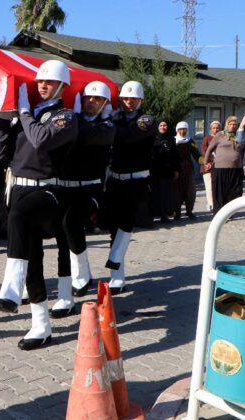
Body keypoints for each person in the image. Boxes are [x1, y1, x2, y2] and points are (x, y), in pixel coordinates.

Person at [0, 60, 77, 350]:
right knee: (32, 258)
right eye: (40, 81)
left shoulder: (64, 117)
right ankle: (41, 325)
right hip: (18, 189)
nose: (42, 85)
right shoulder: (27, 117)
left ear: (62, 85)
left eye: (49, 82)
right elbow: (1, 156)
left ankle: (10, 290)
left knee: (19, 215)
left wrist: (25, 114)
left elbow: (40, 140)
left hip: (48, 191)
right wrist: (4, 122)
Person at [51, 81, 115, 318]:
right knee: (63, 232)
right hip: (65, 187)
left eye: (97, 99)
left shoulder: (107, 126)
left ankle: (81, 276)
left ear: (105, 103)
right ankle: (80, 276)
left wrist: (75, 116)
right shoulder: (71, 120)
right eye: (87, 97)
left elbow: (87, 137)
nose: (91, 101)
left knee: (71, 223)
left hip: (90, 190)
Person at [102, 81, 157, 295]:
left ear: (141, 100)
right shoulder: (116, 118)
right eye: (125, 99)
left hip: (137, 180)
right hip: (115, 179)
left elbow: (128, 136)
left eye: (133, 99)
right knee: (114, 229)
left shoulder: (147, 120)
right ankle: (117, 278)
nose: (128, 102)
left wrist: (108, 121)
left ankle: (114, 264)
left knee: (126, 222)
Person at [203, 114, 245, 213]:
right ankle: (219, 212)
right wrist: (206, 163)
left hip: (236, 168)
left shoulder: (240, 135)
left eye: (234, 124)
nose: (232, 126)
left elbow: (243, 149)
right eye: (230, 124)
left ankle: (229, 212)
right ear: (226, 125)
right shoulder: (220, 135)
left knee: (235, 192)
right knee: (219, 192)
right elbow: (209, 150)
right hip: (219, 168)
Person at [151, 120, 180, 224]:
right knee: (155, 193)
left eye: (165, 125)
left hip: (167, 171)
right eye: (161, 125)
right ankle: (152, 216)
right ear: (157, 127)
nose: (163, 127)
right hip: (155, 171)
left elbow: (175, 156)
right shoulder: (153, 138)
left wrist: (176, 170)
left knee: (165, 194)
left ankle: (164, 215)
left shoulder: (171, 139)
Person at [173, 121, 201, 220]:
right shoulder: (173, 141)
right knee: (177, 191)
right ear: (177, 130)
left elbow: (197, 154)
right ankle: (177, 213)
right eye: (180, 129)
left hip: (188, 169)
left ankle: (189, 211)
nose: (182, 131)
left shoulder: (190, 141)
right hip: (176, 169)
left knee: (190, 191)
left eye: (184, 129)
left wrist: (203, 162)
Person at [200, 121, 221, 212]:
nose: (215, 129)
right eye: (214, 128)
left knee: (219, 187)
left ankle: (219, 205)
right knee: (209, 187)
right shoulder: (207, 138)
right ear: (210, 129)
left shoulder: (223, 138)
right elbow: (204, 151)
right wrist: (208, 162)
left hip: (220, 166)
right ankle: (211, 205)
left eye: (217, 128)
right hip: (208, 166)